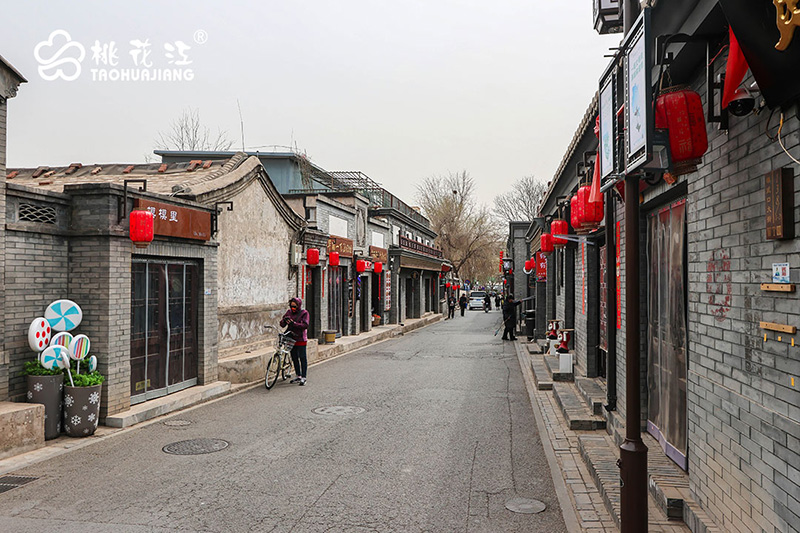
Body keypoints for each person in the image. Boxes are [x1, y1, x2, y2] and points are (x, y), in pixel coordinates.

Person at [280, 297, 310, 385]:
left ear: (298, 306)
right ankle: (298, 375)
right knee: (294, 357)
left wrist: (294, 324)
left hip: (301, 338)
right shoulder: (289, 312)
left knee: (302, 357)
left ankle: (304, 377)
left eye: (294, 307)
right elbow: (282, 324)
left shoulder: (304, 313)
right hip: (291, 338)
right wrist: (285, 321)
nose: (293, 309)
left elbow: (305, 325)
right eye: (291, 306)